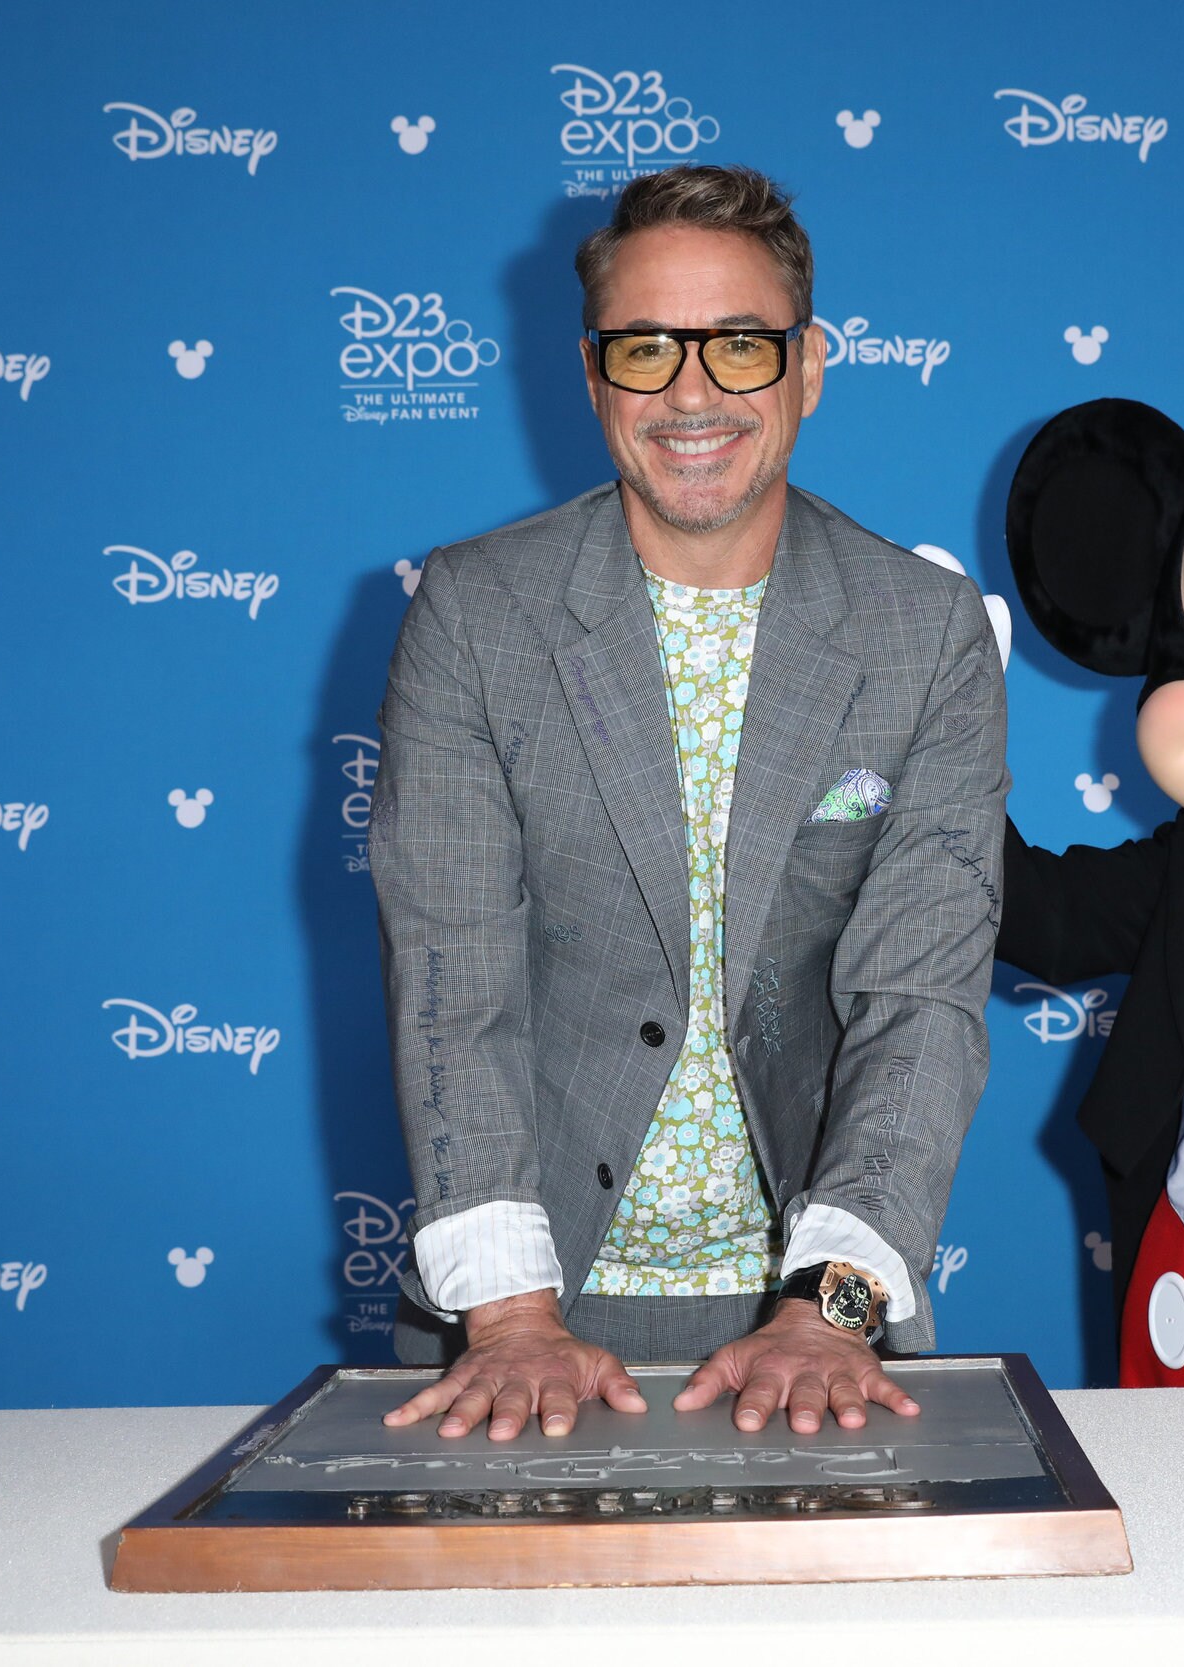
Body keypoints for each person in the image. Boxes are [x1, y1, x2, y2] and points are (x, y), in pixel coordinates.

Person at [371, 165, 1007, 1442]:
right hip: (527, 1307)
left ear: (809, 365)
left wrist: (828, 1307)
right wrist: (509, 1316)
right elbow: (453, 982)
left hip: (824, 1302)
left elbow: (919, 996)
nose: (693, 392)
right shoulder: (476, 610)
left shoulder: (926, 631)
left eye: (741, 345)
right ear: (596, 374)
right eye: (647, 348)